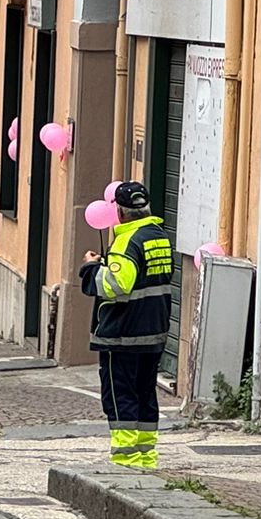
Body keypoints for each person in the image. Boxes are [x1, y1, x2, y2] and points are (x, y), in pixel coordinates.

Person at [80, 180, 175, 470]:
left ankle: (126, 457)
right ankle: (147, 456)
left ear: (119, 212)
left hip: (123, 333)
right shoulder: (158, 236)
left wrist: (92, 268)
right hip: (154, 329)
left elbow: (117, 284)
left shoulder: (125, 242)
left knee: (120, 394)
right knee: (145, 392)